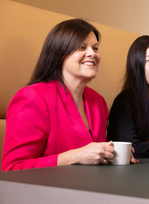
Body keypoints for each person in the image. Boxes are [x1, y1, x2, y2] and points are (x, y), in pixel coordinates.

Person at [2, 18, 138, 171]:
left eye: (95, 48)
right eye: (81, 47)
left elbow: (93, 159)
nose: (92, 53)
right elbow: (12, 168)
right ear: (59, 55)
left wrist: (112, 156)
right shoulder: (32, 97)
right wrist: (76, 156)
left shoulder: (98, 101)